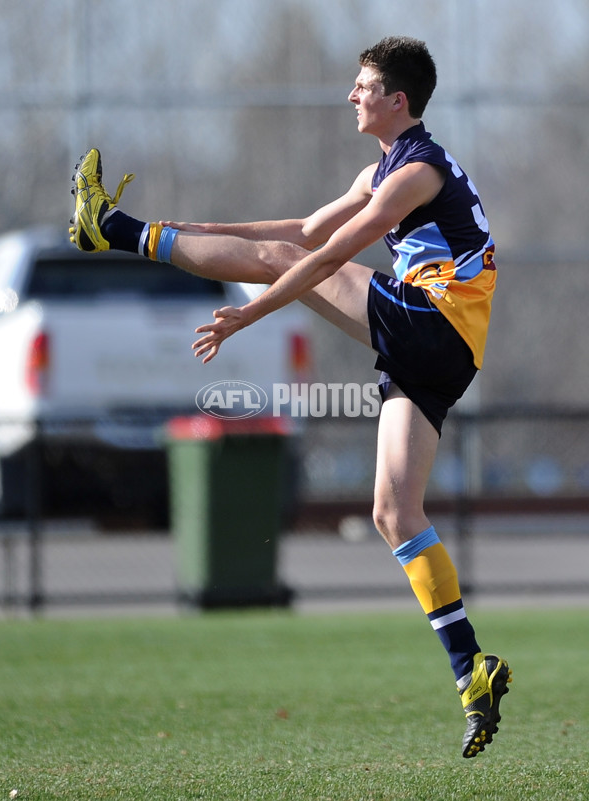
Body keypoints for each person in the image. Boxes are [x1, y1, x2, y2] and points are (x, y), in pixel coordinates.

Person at [69, 35, 511, 758]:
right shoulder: (386, 168)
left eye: (364, 86)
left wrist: (250, 310)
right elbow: (305, 229)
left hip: (436, 324)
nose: (351, 95)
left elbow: (327, 256)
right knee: (393, 510)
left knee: (285, 267)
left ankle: (110, 230)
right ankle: (473, 669)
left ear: (398, 100)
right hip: (444, 353)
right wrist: (195, 230)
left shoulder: (416, 172)